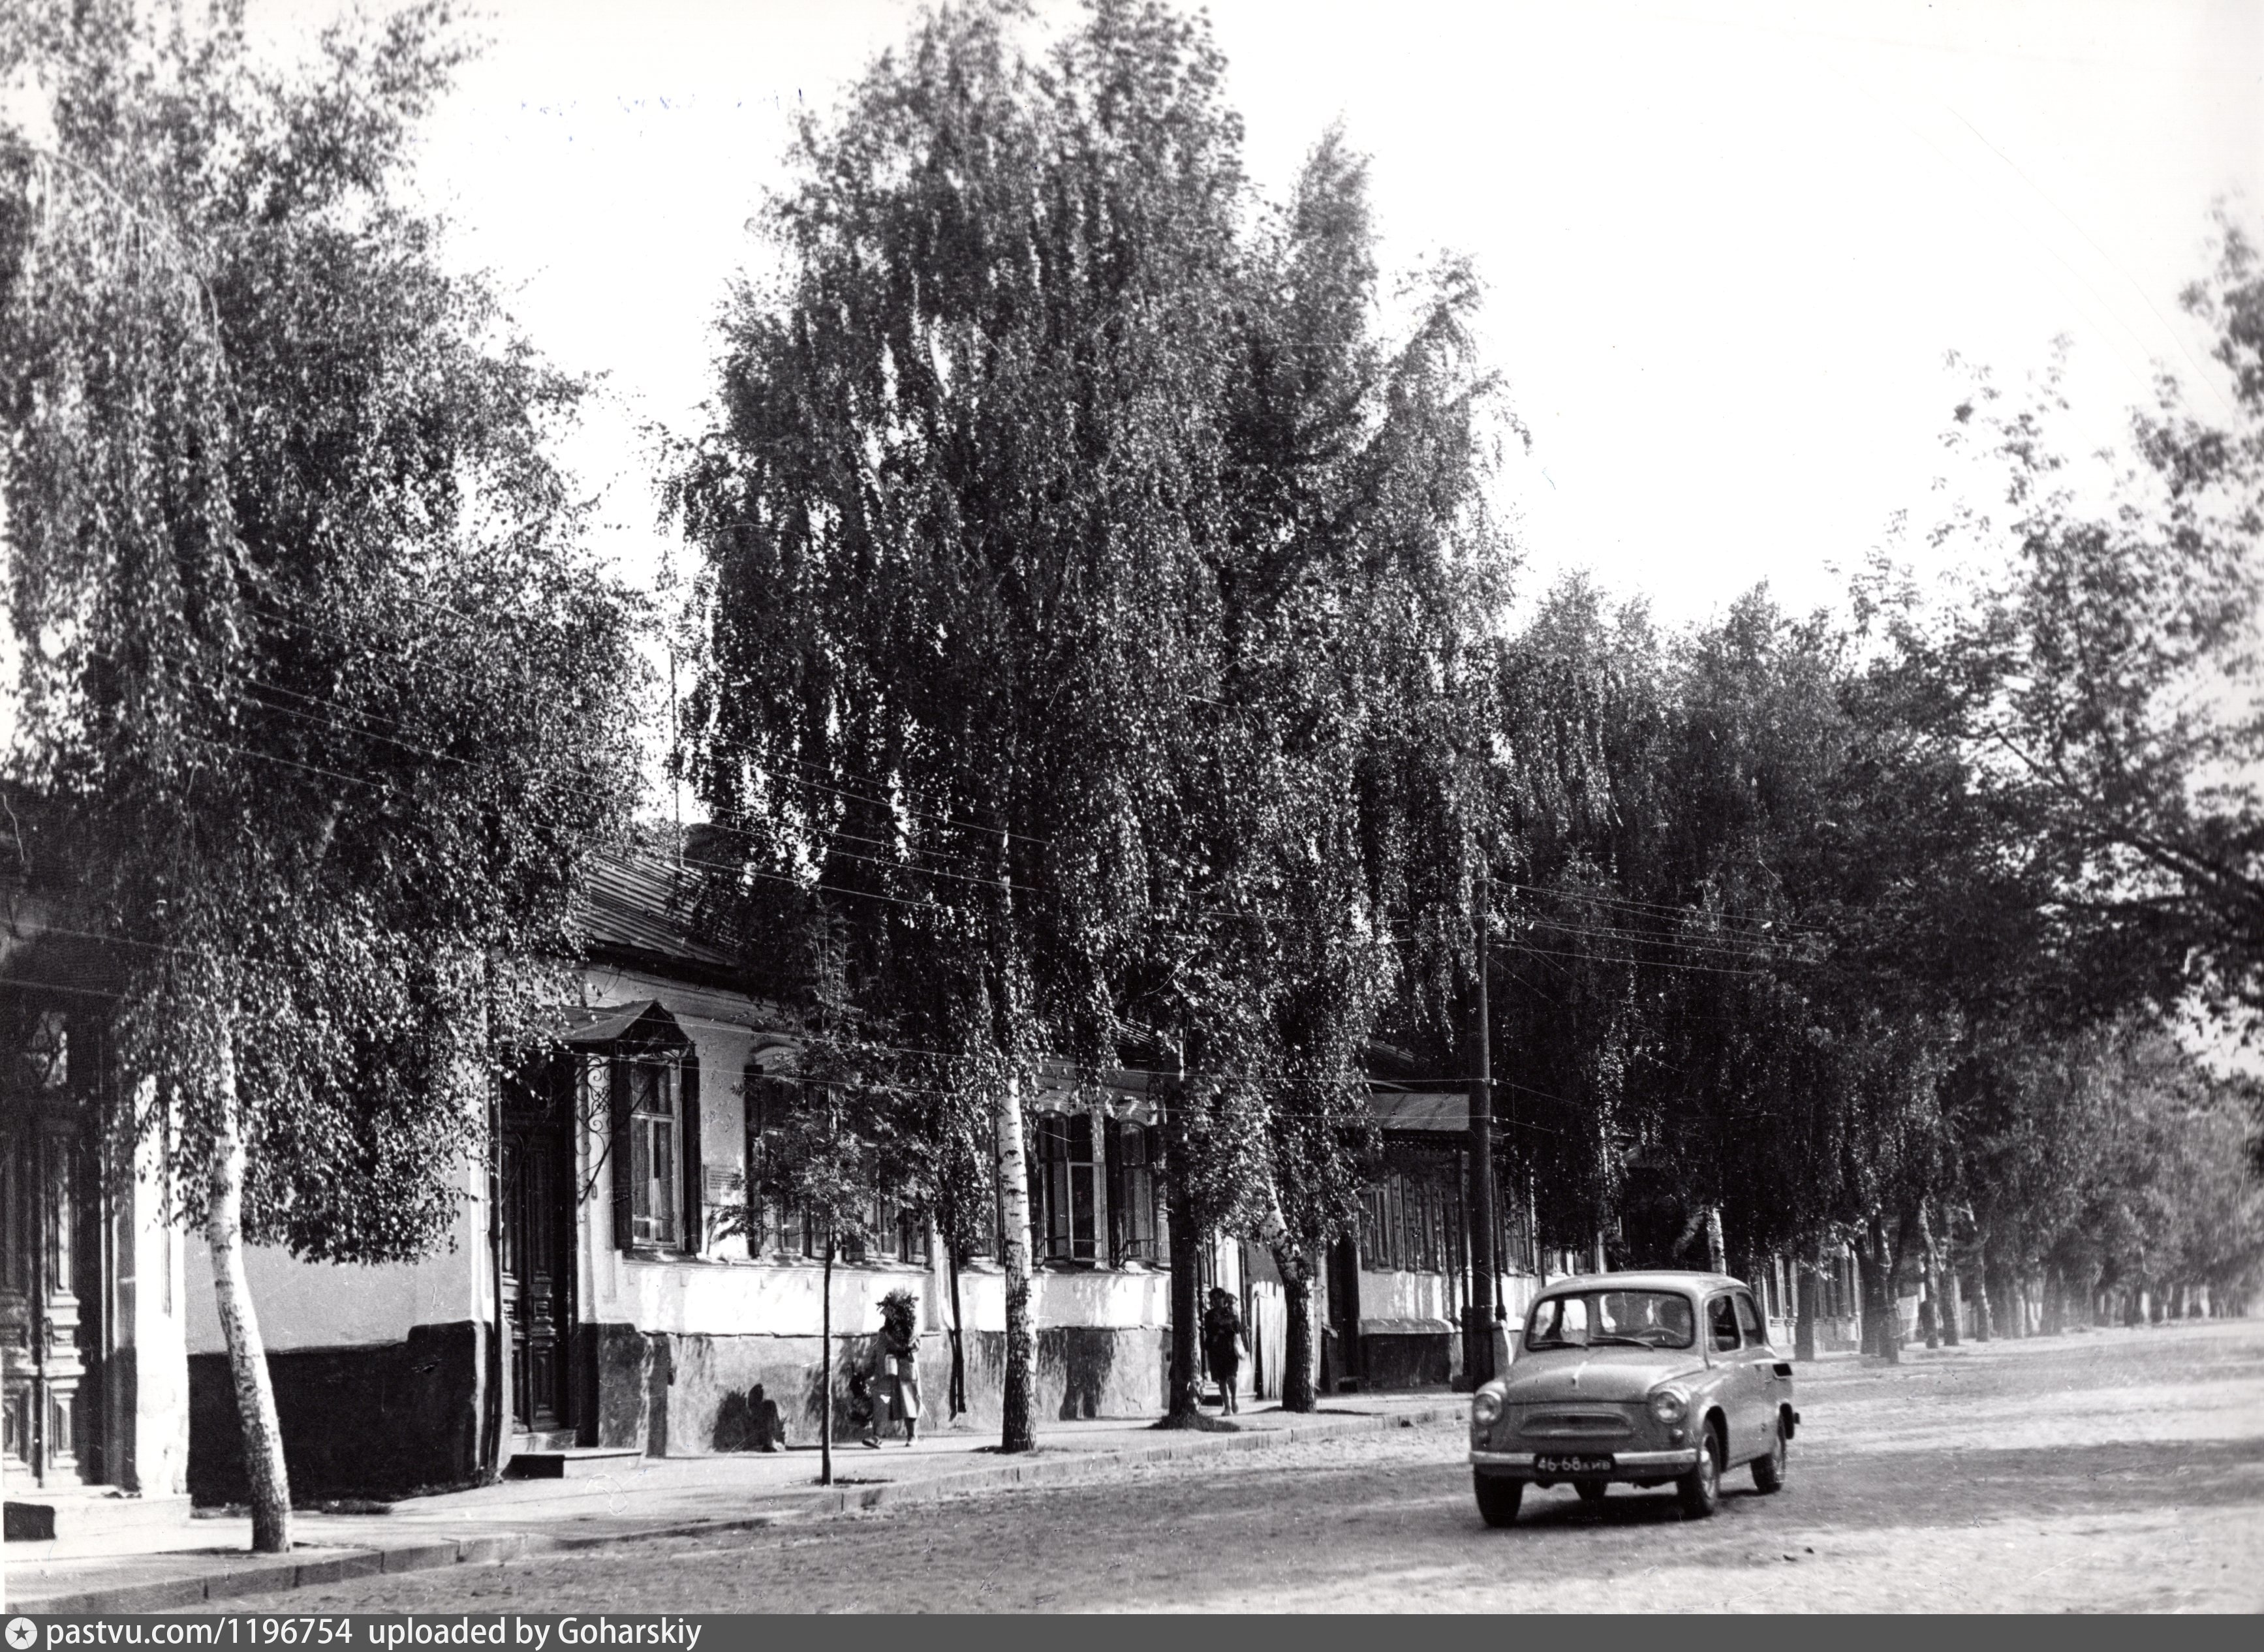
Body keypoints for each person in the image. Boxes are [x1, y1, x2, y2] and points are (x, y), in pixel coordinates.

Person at [878, 1287, 923, 1446]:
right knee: (894, 1400)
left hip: (907, 1365)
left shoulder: (911, 1327)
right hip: (893, 1365)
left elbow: (916, 1344)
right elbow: (885, 1340)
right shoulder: (888, 1329)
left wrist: (905, 1345)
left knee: (909, 1399)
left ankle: (913, 1435)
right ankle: (878, 1436)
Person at [1202, 1287, 1247, 1415]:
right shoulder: (1209, 1315)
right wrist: (1225, 1328)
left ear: (1224, 1298)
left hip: (1229, 1349)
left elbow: (1236, 1328)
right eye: (1214, 1299)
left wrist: (1224, 1328)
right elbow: (1209, 1330)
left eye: (1219, 1298)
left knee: (1232, 1376)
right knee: (1221, 1379)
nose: (1216, 1301)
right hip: (1216, 1350)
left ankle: (1233, 1400)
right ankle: (1226, 1406)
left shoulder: (1230, 1311)